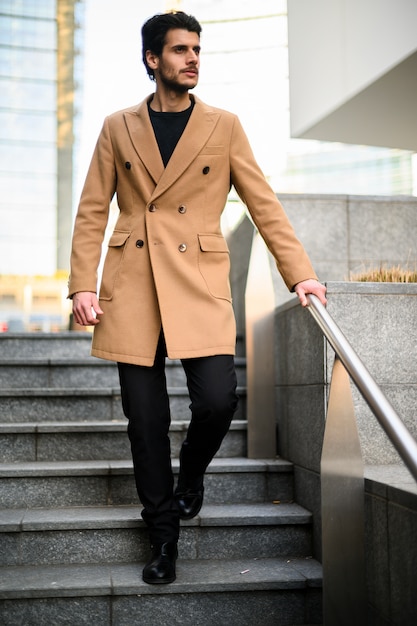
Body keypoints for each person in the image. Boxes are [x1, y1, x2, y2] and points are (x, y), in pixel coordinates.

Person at [68, 11, 327, 585]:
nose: (193, 59)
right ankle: (163, 539)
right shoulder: (118, 126)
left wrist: (299, 273)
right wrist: (83, 284)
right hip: (132, 283)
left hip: (198, 283)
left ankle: (190, 477)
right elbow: (92, 209)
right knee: (146, 421)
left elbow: (264, 204)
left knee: (215, 400)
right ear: (152, 59)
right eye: (181, 50)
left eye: (197, 50)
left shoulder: (224, 125)